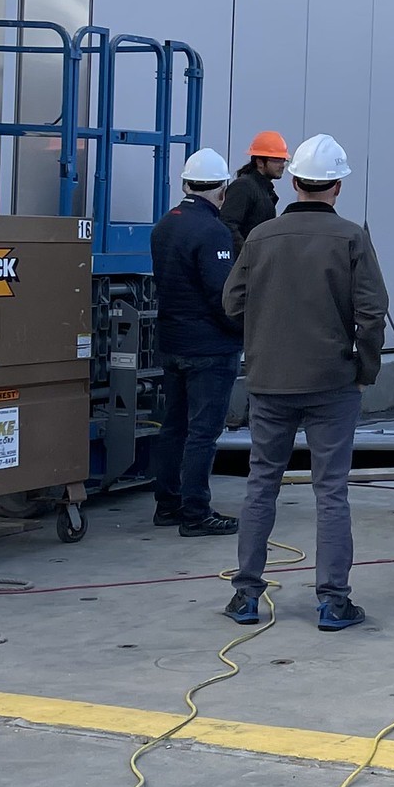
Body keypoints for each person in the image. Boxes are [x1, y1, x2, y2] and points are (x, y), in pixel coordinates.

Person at [222, 135, 388, 632]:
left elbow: (232, 303)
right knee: (331, 491)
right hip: (333, 383)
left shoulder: (261, 237)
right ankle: (333, 601)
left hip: (270, 381)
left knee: (261, 485)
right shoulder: (352, 238)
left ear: (294, 182)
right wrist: (365, 371)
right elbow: (372, 313)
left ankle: (247, 595)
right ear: (337, 186)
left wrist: (265, 340)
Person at [148, 148, 242, 536]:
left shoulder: (165, 225)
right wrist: (241, 330)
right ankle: (196, 512)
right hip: (209, 348)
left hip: (172, 342)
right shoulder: (213, 232)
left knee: (174, 427)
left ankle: (167, 504)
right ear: (221, 190)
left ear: (185, 183)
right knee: (203, 431)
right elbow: (222, 296)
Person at [221, 130, 289, 254]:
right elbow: (228, 224)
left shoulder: (263, 189)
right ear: (259, 162)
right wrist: (247, 256)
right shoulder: (243, 187)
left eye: (283, 160)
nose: (282, 165)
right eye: (277, 160)